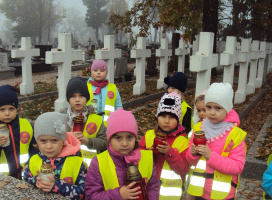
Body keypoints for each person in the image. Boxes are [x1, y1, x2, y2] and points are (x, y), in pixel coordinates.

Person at [186, 83, 247, 200]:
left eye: (218, 108)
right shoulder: (199, 128)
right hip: (199, 192)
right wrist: (192, 154)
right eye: (208, 107)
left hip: (222, 195)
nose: (212, 112)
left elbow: (237, 166)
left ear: (227, 109)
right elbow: (190, 161)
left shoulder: (235, 134)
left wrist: (210, 156)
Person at [85, 108, 160, 200]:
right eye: (118, 138)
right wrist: (118, 195)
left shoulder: (147, 158)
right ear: (109, 139)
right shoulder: (99, 163)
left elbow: (153, 187)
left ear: (135, 138)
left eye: (129, 137)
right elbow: (91, 195)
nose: (124, 144)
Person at [23, 112, 87, 200]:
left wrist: (58, 186)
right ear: (37, 141)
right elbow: (26, 180)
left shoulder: (77, 163)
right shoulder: (34, 160)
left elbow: (84, 192)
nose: (49, 146)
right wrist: (36, 181)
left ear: (63, 141)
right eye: (43, 141)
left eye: (54, 140)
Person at [139, 92, 190, 199]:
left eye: (171, 117)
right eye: (162, 116)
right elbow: (137, 159)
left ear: (178, 119)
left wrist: (170, 152)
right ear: (157, 116)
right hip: (149, 190)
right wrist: (149, 153)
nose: (166, 121)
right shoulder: (149, 136)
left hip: (170, 194)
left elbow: (184, 169)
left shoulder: (182, 142)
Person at [66, 77, 108, 166]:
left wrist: (87, 141)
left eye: (81, 96)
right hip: (68, 167)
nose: (77, 99)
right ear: (68, 99)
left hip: (92, 168)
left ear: (87, 98)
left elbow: (105, 142)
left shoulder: (95, 119)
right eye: (73, 96)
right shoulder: (62, 120)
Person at [0, 85, 38, 179]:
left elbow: (34, 149)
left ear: (17, 109)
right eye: (2, 110)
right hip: (4, 180)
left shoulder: (26, 125)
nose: (7, 113)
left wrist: (29, 163)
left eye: (11, 109)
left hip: (25, 176)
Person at [87, 59, 122, 127]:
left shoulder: (112, 87)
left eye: (102, 71)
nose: (98, 73)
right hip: (91, 125)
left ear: (106, 73)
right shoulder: (86, 87)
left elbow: (118, 105)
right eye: (95, 70)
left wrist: (119, 119)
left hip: (109, 124)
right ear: (91, 72)